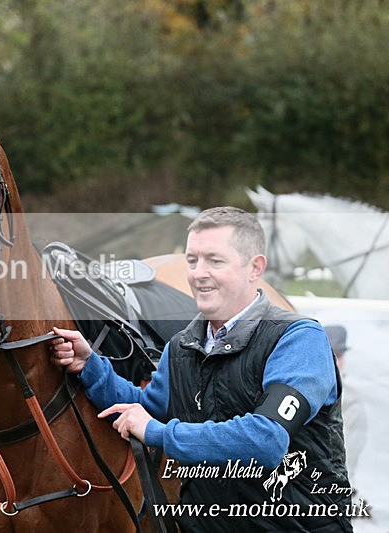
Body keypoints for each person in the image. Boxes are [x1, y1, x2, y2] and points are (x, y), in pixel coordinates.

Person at [50, 207, 352, 532]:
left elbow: (265, 440)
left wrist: (159, 433)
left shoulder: (299, 339)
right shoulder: (182, 346)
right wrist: (91, 366)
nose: (198, 273)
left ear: (255, 268)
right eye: (192, 260)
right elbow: (146, 409)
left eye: (215, 260)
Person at [325, 324, 367, 479]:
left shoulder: (351, 400)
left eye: (338, 355)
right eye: (329, 354)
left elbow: (349, 450)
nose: (334, 361)